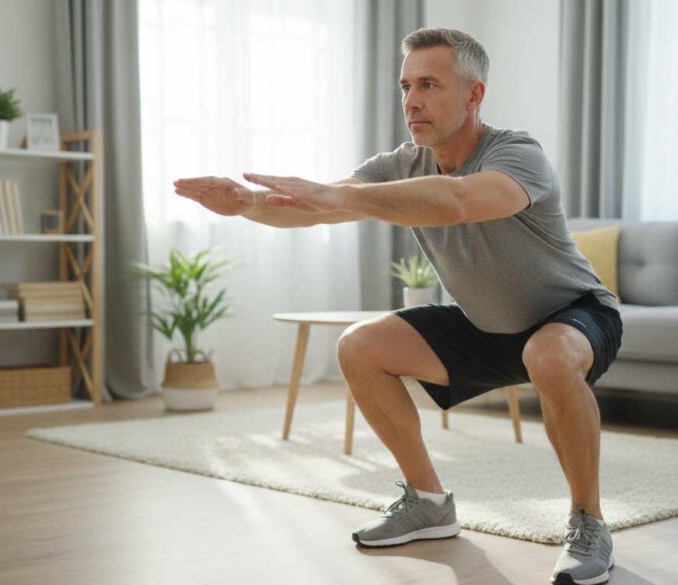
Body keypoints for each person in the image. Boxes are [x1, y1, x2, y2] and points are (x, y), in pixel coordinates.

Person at [174, 26, 622, 585]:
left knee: (549, 355)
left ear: (474, 95)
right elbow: (314, 208)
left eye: (429, 85)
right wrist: (246, 205)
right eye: (405, 86)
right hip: (489, 328)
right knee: (361, 346)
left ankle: (588, 522)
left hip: (573, 315)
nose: (411, 101)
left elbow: (457, 203)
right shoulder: (398, 164)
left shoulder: (516, 153)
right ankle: (428, 504)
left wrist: (337, 196)